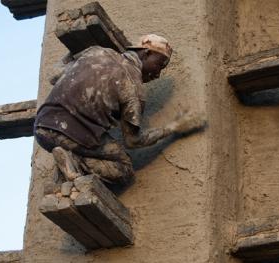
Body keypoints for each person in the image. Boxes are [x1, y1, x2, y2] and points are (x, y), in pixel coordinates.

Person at [34, 34, 205, 186]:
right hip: (73, 136)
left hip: (42, 126)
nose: (157, 74)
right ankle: (76, 160)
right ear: (146, 53)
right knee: (123, 168)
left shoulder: (96, 52)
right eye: (160, 65)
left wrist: (72, 54)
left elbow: (54, 76)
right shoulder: (133, 89)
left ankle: (68, 156)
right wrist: (174, 127)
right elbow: (133, 141)